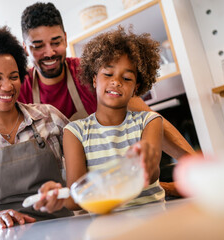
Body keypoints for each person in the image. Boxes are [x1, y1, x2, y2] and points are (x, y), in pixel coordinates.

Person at [18, 2, 195, 196]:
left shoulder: (89, 73)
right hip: (61, 195)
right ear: (25, 47)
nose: (49, 52)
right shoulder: (21, 90)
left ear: (66, 39)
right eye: (38, 46)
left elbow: (150, 119)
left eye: (56, 42)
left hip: (110, 189)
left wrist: (196, 166)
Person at [0, 25, 73, 231]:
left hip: (64, 228)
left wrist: (66, 193)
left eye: (14, 76)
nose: (8, 86)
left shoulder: (50, 118)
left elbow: (85, 176)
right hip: (8, 235)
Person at [34, 27, 165, 213]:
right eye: (108, 74)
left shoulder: (150, 121)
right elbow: (75, 197)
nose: (116, 82)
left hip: (153, 219)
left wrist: (145, 160)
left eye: (127, 78)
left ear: (136, 88)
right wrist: (59, 196)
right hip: (106, 226)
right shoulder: (75, 132)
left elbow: (151, 175)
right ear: (94, 79)